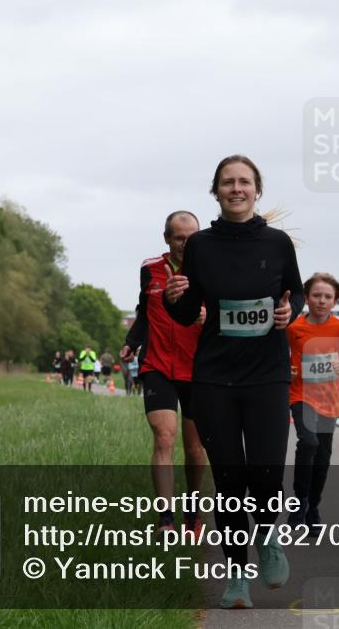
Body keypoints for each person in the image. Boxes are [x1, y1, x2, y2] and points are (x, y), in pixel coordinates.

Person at [164, 155, 304, 610]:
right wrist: (173, 300)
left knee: (265, 470)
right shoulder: (201, 245)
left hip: (266, 373)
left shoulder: (279, 242)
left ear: (256, 190)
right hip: (215, 376)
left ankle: (267, 538)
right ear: (217, 191)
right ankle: (237, 578)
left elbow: (296, 292)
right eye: (228, 183)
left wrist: (289, 312)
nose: (236, 189)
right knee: (228, 480)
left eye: (244, 182)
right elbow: (188, 313)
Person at [120, 210, 209, 538]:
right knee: (164, 436)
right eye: (178, 237)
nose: (185, 243)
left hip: (198, 368)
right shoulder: (150, 269)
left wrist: (206, 317)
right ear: (167, 238)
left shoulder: (210, 268)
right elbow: (144, 309)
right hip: (157, 364)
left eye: (191, 237)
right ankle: (166, 521)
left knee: (195, 449)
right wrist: (132, 341)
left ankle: (193, 516)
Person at [286, 272, 339, 527]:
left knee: (322, 457)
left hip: (329, 401)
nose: (321, 300)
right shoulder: (294, 327)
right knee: (308, 442)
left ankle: (313, 507)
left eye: (327, 297)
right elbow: (278, 354)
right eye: (316, 295)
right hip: (300, 395)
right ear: (307, 298)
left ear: (335, 301)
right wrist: (287, 368)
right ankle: (299, 502)